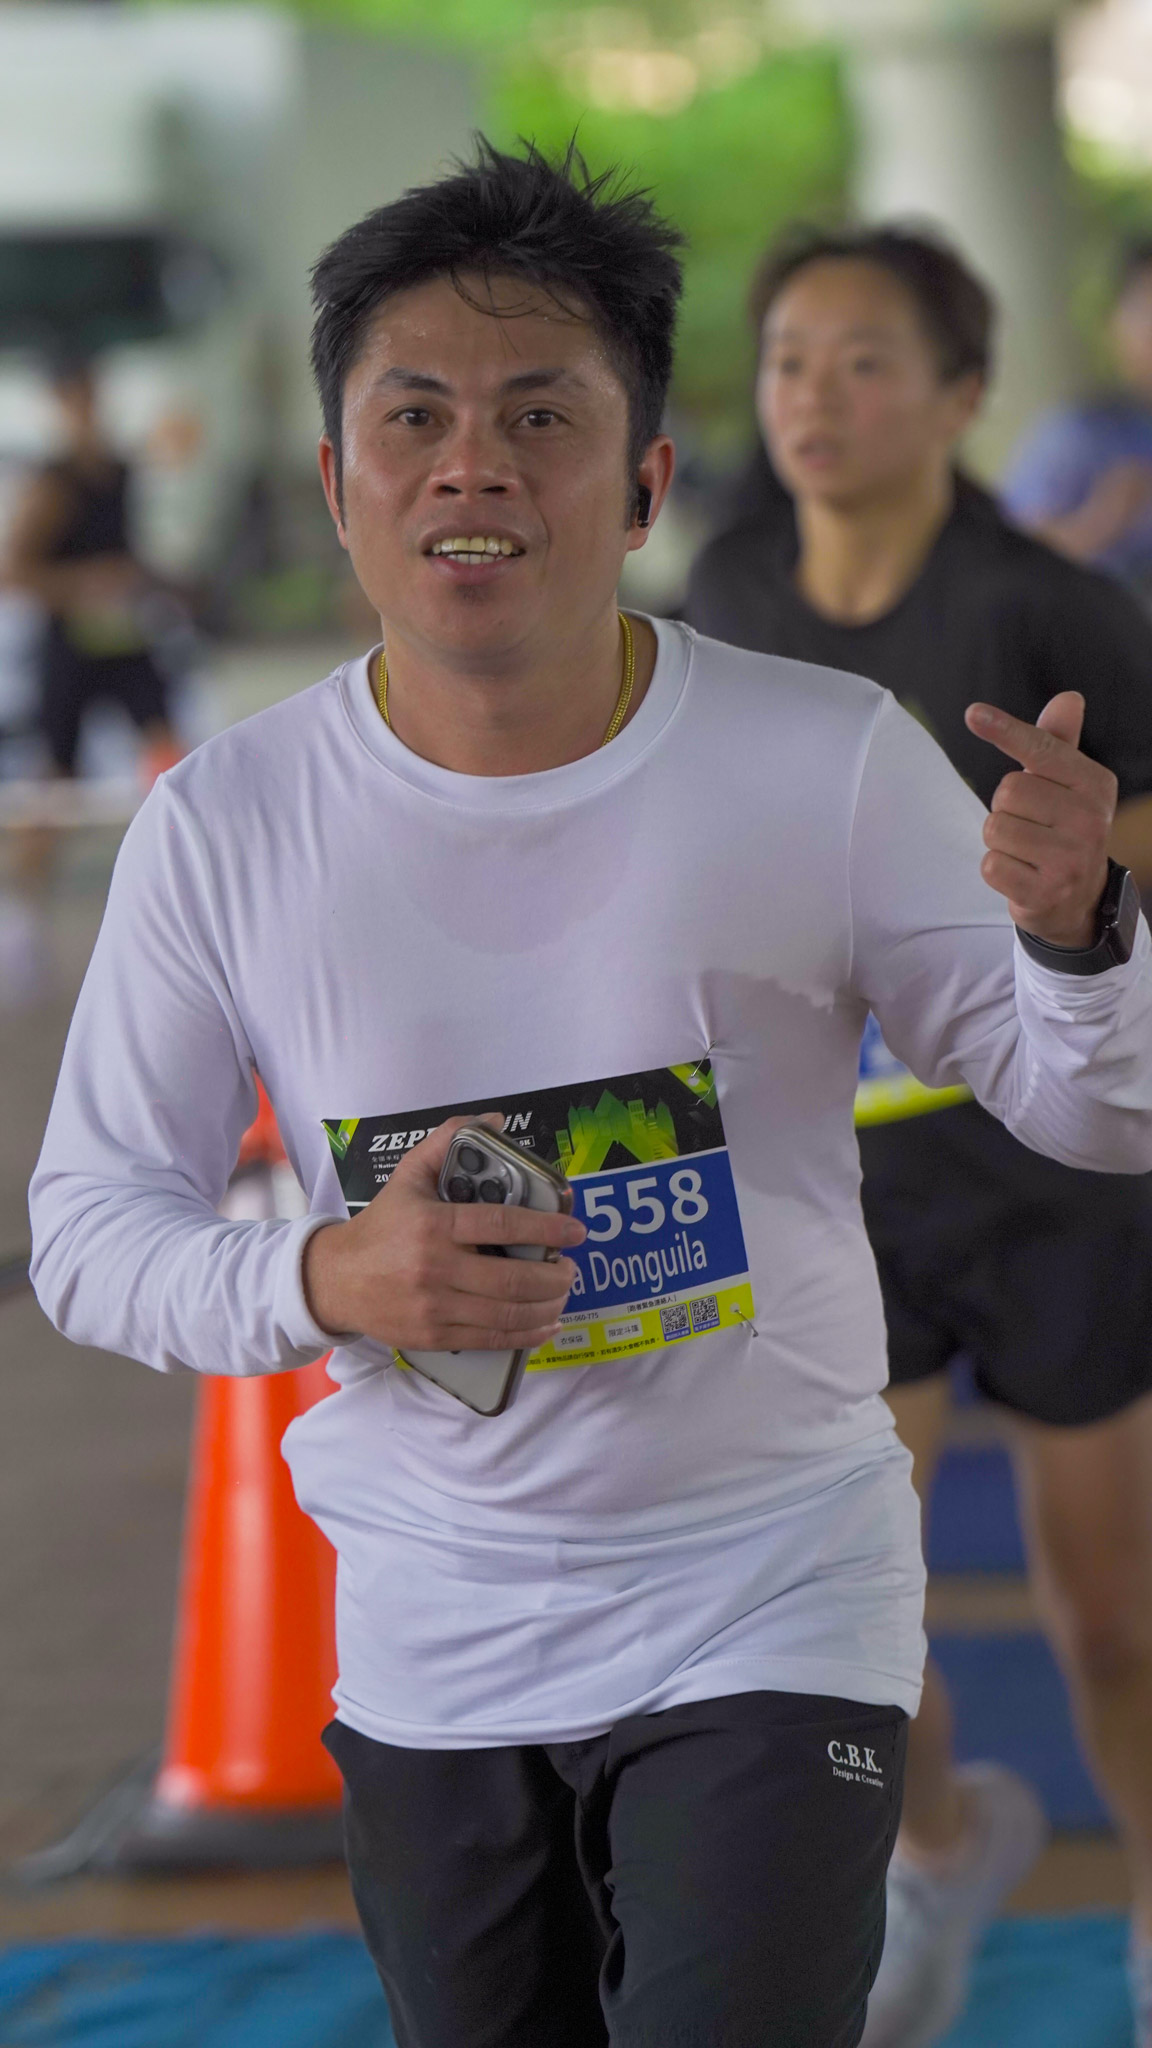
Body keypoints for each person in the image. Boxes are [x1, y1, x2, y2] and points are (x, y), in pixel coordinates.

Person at [29, 147, 1152, 2048]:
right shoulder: (226, 824)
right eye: (415, 417)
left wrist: (1081, 936)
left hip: (771, 1590)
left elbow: (1097, 1114)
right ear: (338, 481)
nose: (472, 466)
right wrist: (322, 1278)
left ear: (643, 486)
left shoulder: (820, 757)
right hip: (432, 1633)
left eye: (540, 417)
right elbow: (86, 1230)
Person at [686, 222, 1152, 2048]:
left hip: (1055, 1172)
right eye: (790, 358)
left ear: (962, 397)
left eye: (865, 359)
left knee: (1109, 1618)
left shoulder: (1055, 609)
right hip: (827, 1175)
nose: (816, 395)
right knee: (843, 1606)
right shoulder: (723, 587)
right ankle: (940, 1850)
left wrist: (1039, 888)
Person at [4, 356, 181, 784]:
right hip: (71, 644)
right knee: (59, 770)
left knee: (166, 750)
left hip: (123, 634)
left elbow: (126, 553)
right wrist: (83, 583)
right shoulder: (54, 485)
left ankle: (179, 822)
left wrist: (159, 582)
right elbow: (13, 571)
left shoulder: (118, 473)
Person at [1002, 239, 1152, 593]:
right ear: (1114, 327)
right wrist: (1100, 521)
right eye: (1146, 313)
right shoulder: (1077, 434)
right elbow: (1004, 559)